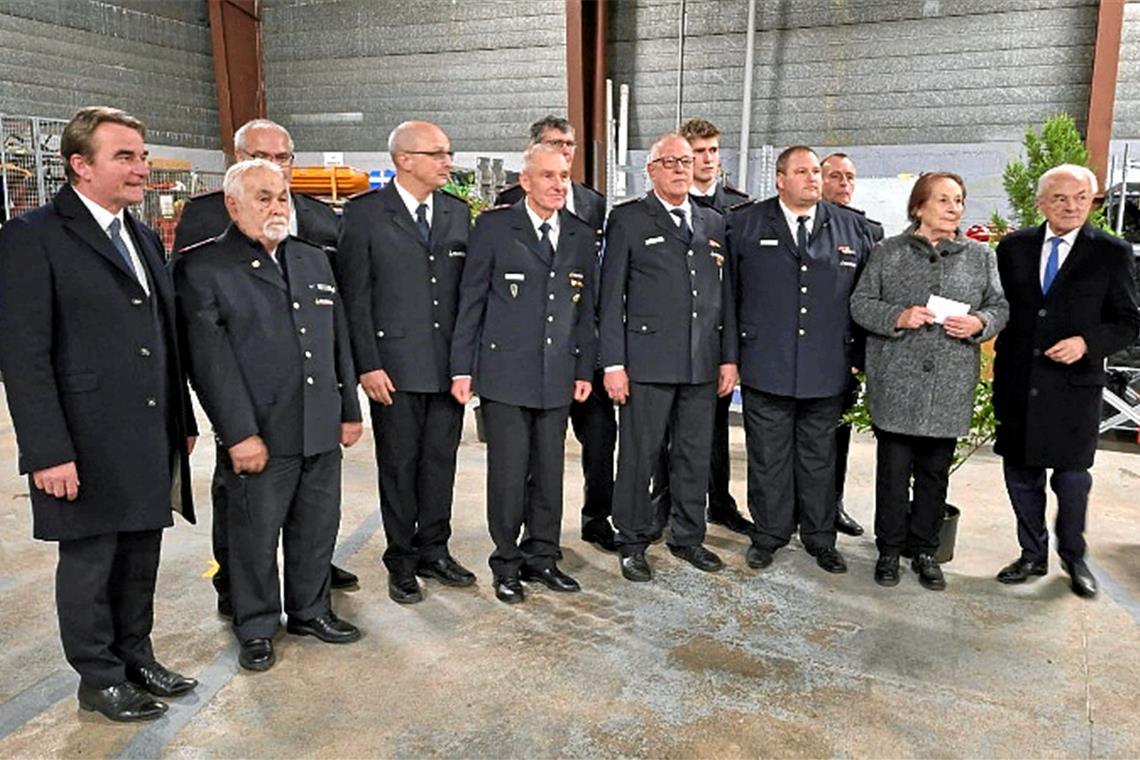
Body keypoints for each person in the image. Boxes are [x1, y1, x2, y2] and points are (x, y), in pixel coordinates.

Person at [0, 106, 198, 721]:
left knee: (141, 553)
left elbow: (163, 335)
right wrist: (47, 450)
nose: (141, 168)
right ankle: (98, 676)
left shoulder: (139, 233)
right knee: (90, 561)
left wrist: (182, 419)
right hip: (81, 437)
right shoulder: (33, 236)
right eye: (125, 157)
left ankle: (136, 656)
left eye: (141, 155)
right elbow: (23, 355)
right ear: (80, 165)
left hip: (146, 427)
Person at [173, 159, 364, 672]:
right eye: (263, 198)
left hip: (319, 423)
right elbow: (209, 364)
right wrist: (238, 434)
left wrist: (349, 409)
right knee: (253, 535)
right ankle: (256, 625)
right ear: (233, 206)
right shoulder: (205, 267)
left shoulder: (311, 260)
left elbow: (337, 341)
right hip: (259, 432)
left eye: (282, 197)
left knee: (316, 527)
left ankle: (310, 610)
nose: (276, 207)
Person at [336, 121, 477, 604]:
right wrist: (366, 365)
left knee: (441, 462)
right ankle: (401, 559)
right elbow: (354, 298)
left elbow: (466, 297)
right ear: (404, 159)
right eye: (436, 153)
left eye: (448, 152)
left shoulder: (458, 214)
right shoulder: (365, 215)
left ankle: (434, 549)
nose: (447, 161)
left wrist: (466, 363)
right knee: (398, 465)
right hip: (392, 368)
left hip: (446, 369)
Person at [450, 144, 597, 604]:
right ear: (526, 181)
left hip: (555, 374)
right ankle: (507, 563)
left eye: (564, 176)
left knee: (549, 473)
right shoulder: (495, 227)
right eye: (548, 176)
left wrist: (583, 366)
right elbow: (471, 301)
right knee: (510, 474)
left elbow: (585, 309)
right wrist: (462, 368)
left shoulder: (578, 232)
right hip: (505, 375)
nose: (558, 185)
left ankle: (543, 557)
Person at [850, 172, 1008, 590]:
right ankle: (888, 549)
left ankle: (924, 550)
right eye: (944, 200)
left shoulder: (980, 256)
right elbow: (861, 303)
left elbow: (999, 307)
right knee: (893, 472)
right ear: (919, 207)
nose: (954, 208)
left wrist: (979, 322)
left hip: (949, 385)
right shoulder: (887, 252)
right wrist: (897, 317)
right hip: (896, 380)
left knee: (935, 474)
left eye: (959, 200)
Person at [992, 164, 1140, 598]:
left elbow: (1129, 322)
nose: (1071, 206)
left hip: (1074, 387)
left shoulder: (1111, 253)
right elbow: (998, 306)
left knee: (1072, 480)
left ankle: (1073, 556)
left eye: (1080, 197)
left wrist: (1087, 343)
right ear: (1041, 203)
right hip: (1019, 381)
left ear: (1092, 201)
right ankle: (1031, 554)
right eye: (1060, 198)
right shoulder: (1013, 248)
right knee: (1021, 475)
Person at [726, 145, 874, 575]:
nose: (812, 179)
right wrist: (731, 359)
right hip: (765, 364)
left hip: (828, 366)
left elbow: (863, 299)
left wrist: (859, 357)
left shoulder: (852, 227)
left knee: (819, 458)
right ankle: (769, 534)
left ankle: (819, 537)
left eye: (816, 172)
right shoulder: (746, 224)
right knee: (768, 456)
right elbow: (730, 298)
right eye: (802, 171)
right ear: (779, 178)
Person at [598, 133, 738, 582]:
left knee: (694, 456)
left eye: (686, 160)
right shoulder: (629, 219)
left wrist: (728, 358)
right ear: (651, 170)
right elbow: (610, 296)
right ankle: (633, 540)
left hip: (701, 362)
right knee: (640, 455)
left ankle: (687, 536)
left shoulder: (712, 222)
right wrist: (613, 364)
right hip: (646, 363)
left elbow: (725, 298)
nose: (681, 168)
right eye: (671, 161)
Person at [496, 115, 616, 551]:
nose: (565, 151)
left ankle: (596, 519)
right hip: (528, 355)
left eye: (569, 145)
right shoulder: (507, 205)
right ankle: (522, 537)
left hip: (581, 344)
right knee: (532, 456)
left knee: (601, 437)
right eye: (554, 144)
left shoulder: (592, 204)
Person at [647, 118, 753, 538]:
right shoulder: (659, 206)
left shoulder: (740, 208)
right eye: (699, 152)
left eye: (713, 151)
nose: (707, 160)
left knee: (712, 429)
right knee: (664, 433)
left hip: (714, 336)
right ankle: (663, 504)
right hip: (669, 340)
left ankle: (720, 502)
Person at [820, 152, 883, 539]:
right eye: (835, 176)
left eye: (850, 178)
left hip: (845, 353)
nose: (844, 184)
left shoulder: (868, 231)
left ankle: (833, 505)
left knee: (837, 436)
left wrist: (861, 355)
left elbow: (871, 295)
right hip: (803, 347)